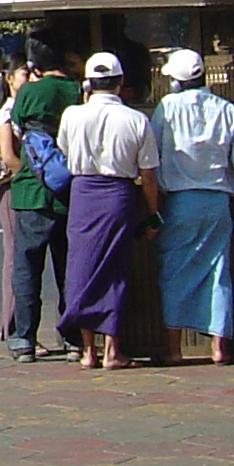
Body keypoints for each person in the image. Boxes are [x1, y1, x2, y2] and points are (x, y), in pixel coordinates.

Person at [55, 51, 161, 369]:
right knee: (114, 270)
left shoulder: (72, 116)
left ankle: (88, 350)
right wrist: (153, 212)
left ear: (88, 83)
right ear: (120, 82)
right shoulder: (136, 120)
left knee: (81, 269)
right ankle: (113, 350)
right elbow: (149, 173)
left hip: (83, 195)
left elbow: (64, 150)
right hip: (119, 195)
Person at [149, 47, 234, 362]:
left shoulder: (166, 108)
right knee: (218, 270)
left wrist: (151, 207)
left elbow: (150, 159)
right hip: (218, 202)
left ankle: (174, 348)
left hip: (179, 201)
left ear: (177, 82)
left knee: (174, 272)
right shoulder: (228, 110)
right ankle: (219, 346)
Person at [5, 43, 84, 361]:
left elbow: (20, 126)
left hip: (30, 189)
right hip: (68, 190)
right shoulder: (75, 91)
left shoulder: (28, 94)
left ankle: (24, 339)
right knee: (69, 269)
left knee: (27, 267)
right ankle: (73, 337)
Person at [0, 61, 34, 347]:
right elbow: (9, 156)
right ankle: (12, 326)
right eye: (23, 73)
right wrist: (30, 178)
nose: (29, 78)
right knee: (15, 258)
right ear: (9, 79)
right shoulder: (8, 113)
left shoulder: (28, 107)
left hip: (25, 187)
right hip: (15, 189)